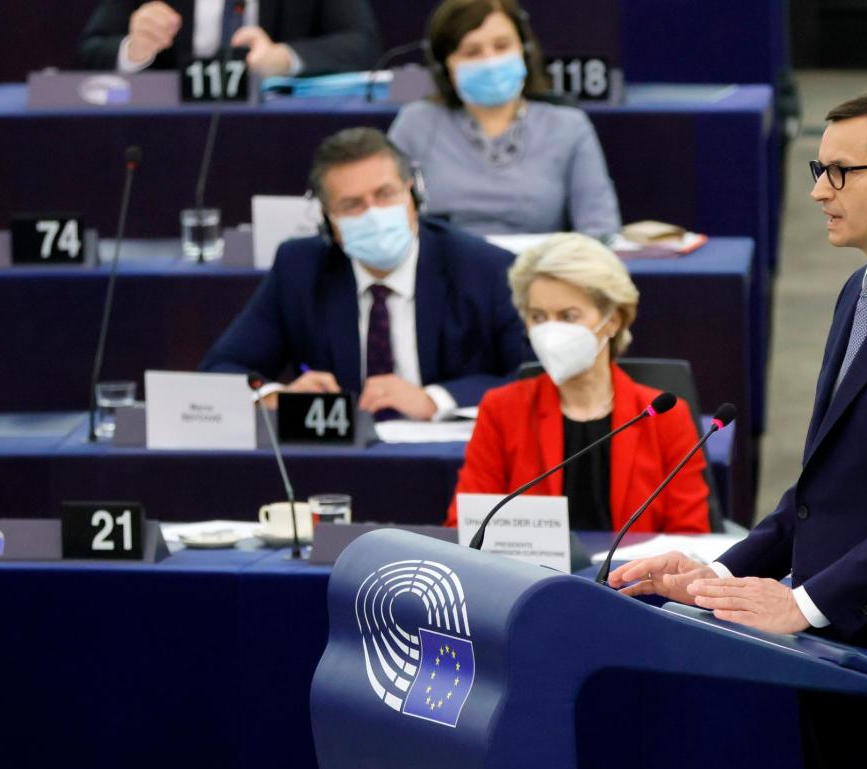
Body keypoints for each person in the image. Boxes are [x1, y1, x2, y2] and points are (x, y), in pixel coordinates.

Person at [610, 91, 867, 769]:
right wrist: (715, 576)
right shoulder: (857, 293)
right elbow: (826, 489)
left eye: (838, 172)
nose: (817, 191)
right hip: (833, 661)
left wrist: (800, 604)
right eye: (815, 168)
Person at [200, 127, 530, 420]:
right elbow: (221, 370)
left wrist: (436, 399)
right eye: (352, 205)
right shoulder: (299, 267)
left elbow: (531, 376)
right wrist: (276, 396)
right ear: (328, 220)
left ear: (413, 196)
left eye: (385, 195)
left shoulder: (485, 268)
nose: (373, 214)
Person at [446, 233, 709, 532]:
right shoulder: (502, 410)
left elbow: (691, 537)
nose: (550, 331)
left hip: (634, 578)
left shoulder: (664, 418)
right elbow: (464, 527)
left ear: (612, 319)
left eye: (568, 316)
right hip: (534, 577)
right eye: (538, 316)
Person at [387, 0, 620, 239]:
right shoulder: (415, 124)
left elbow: (600, 228)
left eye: (502, 46)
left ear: (524, 50)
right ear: (444, 64)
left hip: (540, 271)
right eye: (472, 52)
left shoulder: (568, 127)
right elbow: (390, 219)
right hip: (445, 270)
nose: (490, 61)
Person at [76, 0, 381, 77]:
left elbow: (362, 43)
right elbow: (89, 49)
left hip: (279, 133)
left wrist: (282, 58)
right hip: (171, 134)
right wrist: (134, 49)